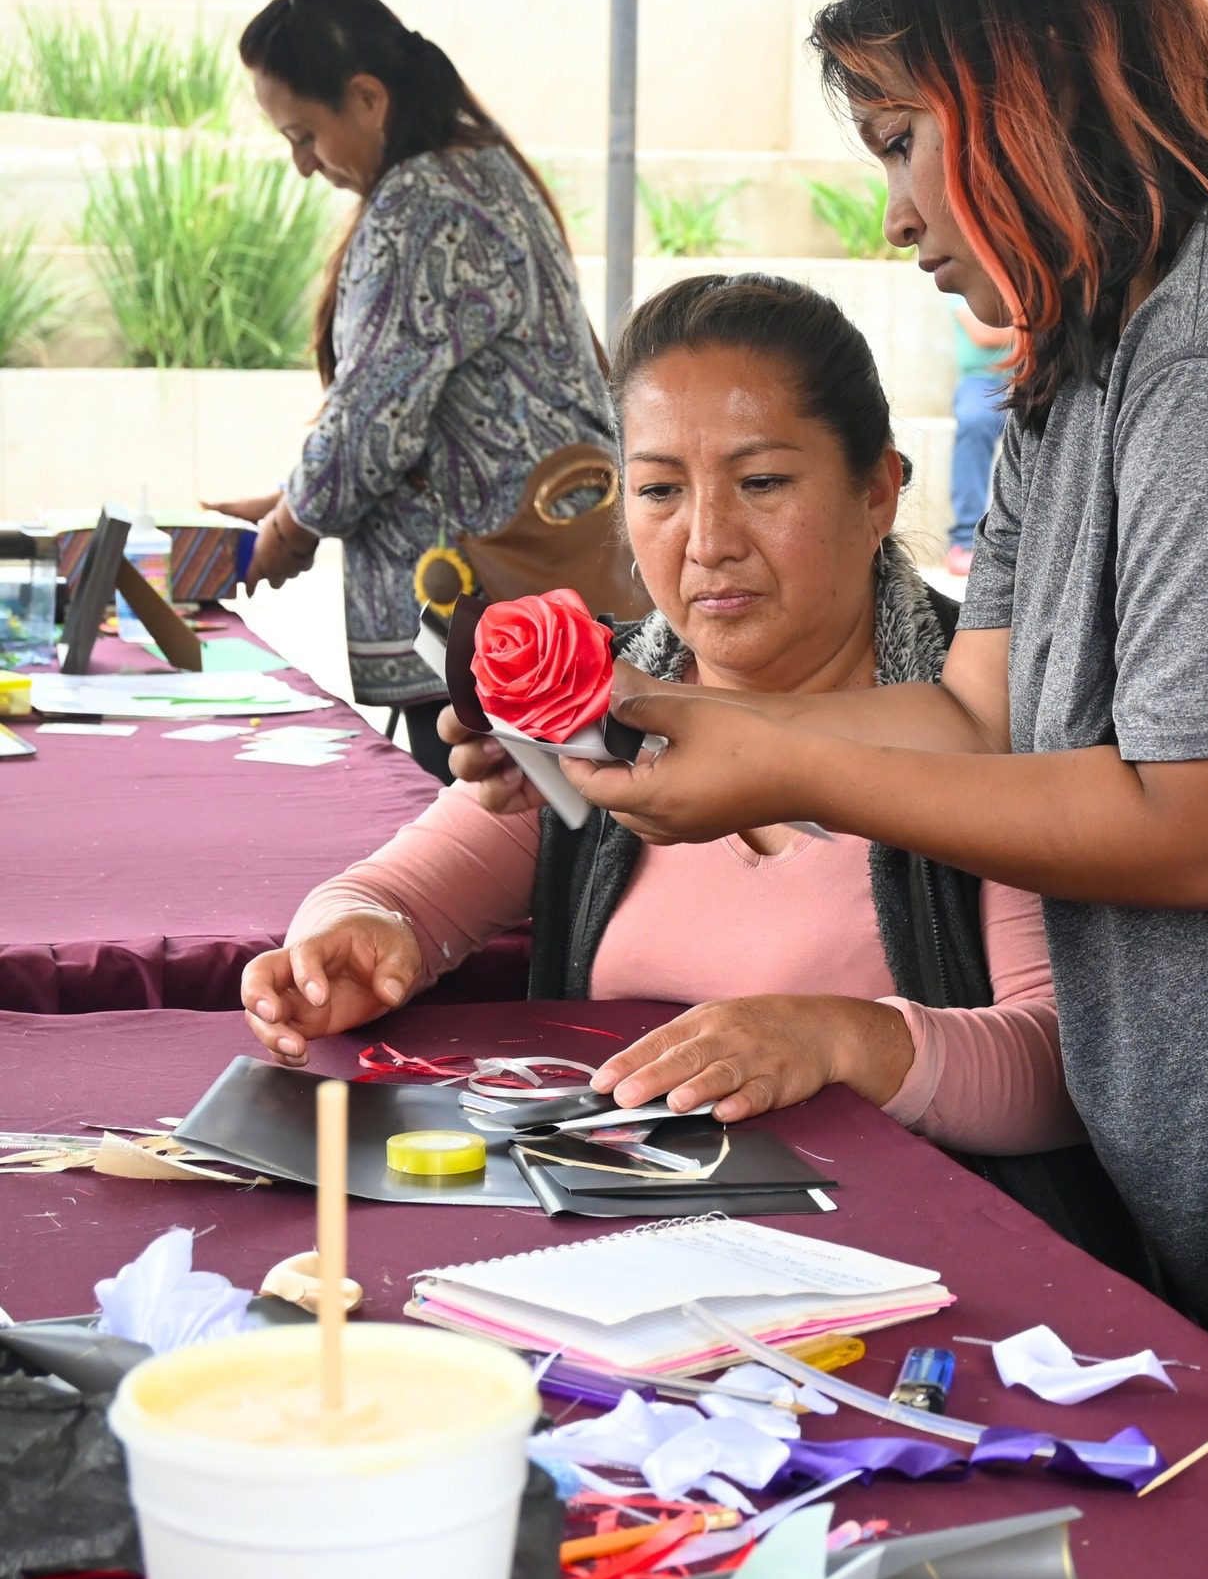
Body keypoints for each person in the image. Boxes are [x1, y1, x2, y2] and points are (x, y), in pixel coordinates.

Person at [464, 0, 1208, 1339]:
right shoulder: (1099, 310)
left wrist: (787, 762)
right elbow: (977, 710)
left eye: (899, 144)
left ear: (1026, 89)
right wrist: (666, 721)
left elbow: (1201, 831)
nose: (894, 218)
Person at [241, 276, 1098, 1200]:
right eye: (659, 489)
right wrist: (353, 939)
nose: (708, 540)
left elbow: (1062, 1070)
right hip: (621, 1249)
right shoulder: (597, 707)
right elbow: (389, 894)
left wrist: (843, 1039)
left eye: (762, 481)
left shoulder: (988, 718)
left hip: (907, 1266)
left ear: (878, 492)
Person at [208, 0, 612, 781]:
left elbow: (369, 428)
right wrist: (291, 502)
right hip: (529, 605)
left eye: (304, 136)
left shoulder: (424, 204)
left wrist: (288, 532)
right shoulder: (473, 171)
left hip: (489, 619)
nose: (301, 166)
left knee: (504, 851)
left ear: (366, 98)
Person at [944, 295, 1013, 576]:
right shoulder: (957, 281)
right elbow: (983, 333)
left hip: (1032, 375)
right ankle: (964, 539)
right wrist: (1038, 330)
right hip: (981, 381)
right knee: (974, 420)